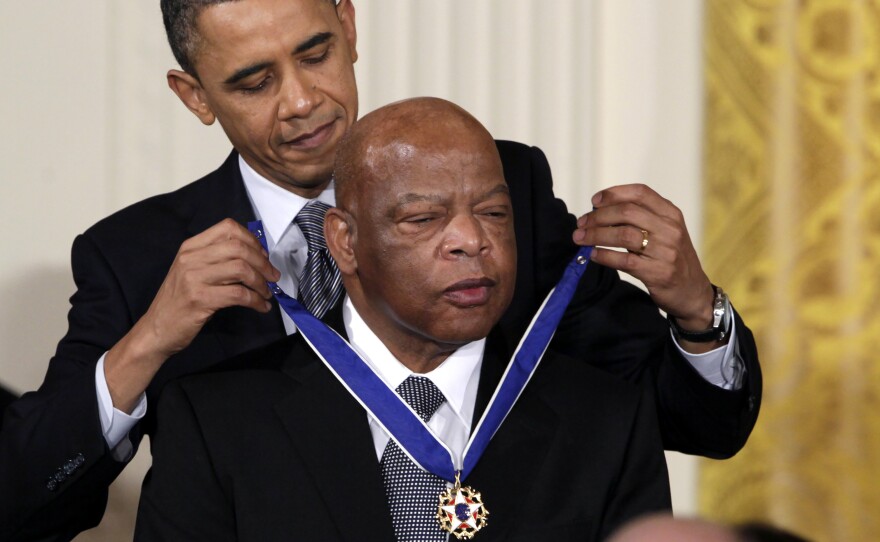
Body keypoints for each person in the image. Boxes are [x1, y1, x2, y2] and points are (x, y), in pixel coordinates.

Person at [0, 0, 760, 539]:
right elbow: (24, 506)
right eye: (254, 82)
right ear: (195, 96)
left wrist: (699, 315)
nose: (301, 101)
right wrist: (148, 341)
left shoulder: (502, 189)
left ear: (350, 24)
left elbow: (689, 424)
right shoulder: (137, 255)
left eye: (315, 52)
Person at [135, 96, 672, 541]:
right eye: (423, 218)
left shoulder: (607, 422)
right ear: (345, 241)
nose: (472, 241)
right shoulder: (218, 423)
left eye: (493, 213)